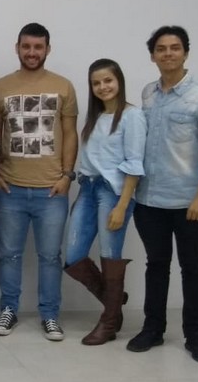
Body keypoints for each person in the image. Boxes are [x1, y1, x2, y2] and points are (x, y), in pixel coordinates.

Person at [126, 26, 198, 364]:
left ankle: (195, 337)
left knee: (193, 268)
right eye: (161, 48)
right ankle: (153, 329)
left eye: (175, 47)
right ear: (152, 55)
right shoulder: (147, 95)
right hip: (149, 200)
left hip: (189, 202)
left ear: (185, 52)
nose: (168, 53)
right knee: (156, 265)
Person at [0, 22, 78, 342]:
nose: (31, 52)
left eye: (38, 47)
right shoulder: (0, 87)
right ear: (17, 47)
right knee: (9, 254)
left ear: (47, 49)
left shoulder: (64, 86)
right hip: (10, 188)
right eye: (26, 46)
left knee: (50, 256)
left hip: (51, 189)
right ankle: (9, 309)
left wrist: (68, 175)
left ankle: (50, 315)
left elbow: (70, 134)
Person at [64, 59, 145, 346]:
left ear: (119, 81)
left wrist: (123, 205)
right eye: (96, 83)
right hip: (88, 189)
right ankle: (114, 301)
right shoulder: (95, 117)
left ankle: (109, 322)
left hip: (113, 192)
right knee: (73, 256)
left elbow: (135, 163)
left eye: (108, 80)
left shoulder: (132, 116)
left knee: (110, 254)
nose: (103, 87)